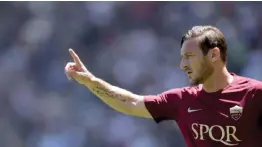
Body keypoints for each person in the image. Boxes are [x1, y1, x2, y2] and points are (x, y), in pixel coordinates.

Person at [64, 25, 262, 147]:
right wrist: (91, 81)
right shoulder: (182, 100)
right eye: (182, 57)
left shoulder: (255, 94)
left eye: (190, 57)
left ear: (214, 55)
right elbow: (131, 103)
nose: (183, 65)